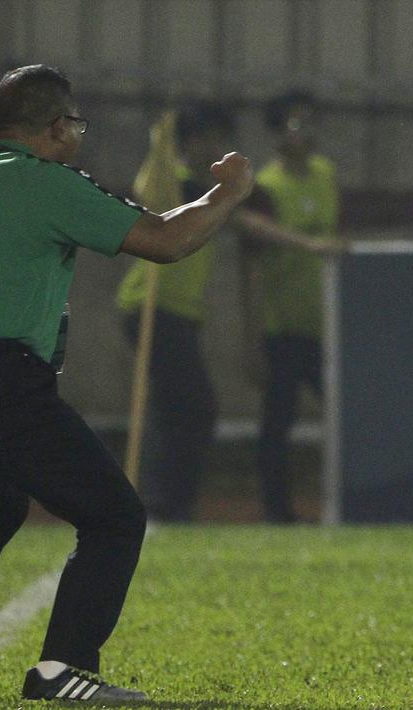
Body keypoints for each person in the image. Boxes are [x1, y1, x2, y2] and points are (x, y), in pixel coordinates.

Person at [0, 64, 253, 701]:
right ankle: (63, 670)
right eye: (76, 126)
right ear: (57, 128)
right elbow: (166, 241)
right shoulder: (49, 183)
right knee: (115, 518)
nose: (79, 138)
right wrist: (227, 193)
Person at [114, 102, 237, 522]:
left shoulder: (205, 190)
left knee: (173, 406)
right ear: (191, 142)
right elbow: (149, 195)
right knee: (195, 405)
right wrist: (160, 145)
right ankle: (165, 502)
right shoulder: (178, 185)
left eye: (223, 140)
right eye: (211, 139)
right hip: (152, 306)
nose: (218, 149)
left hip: (179, 313)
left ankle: (166, 501)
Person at [235, 90, 346, 523]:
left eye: (310, 123)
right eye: (295, 125)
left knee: (345, 415)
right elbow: (251, 263)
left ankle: (347, 502)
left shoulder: (325, 175)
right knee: (278, 423)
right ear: (277, 133)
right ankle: (278, 512)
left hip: (326, 325)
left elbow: (337, 237)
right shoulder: (265, 187)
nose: (305, 134)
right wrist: (253, 338)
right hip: (282, 327)